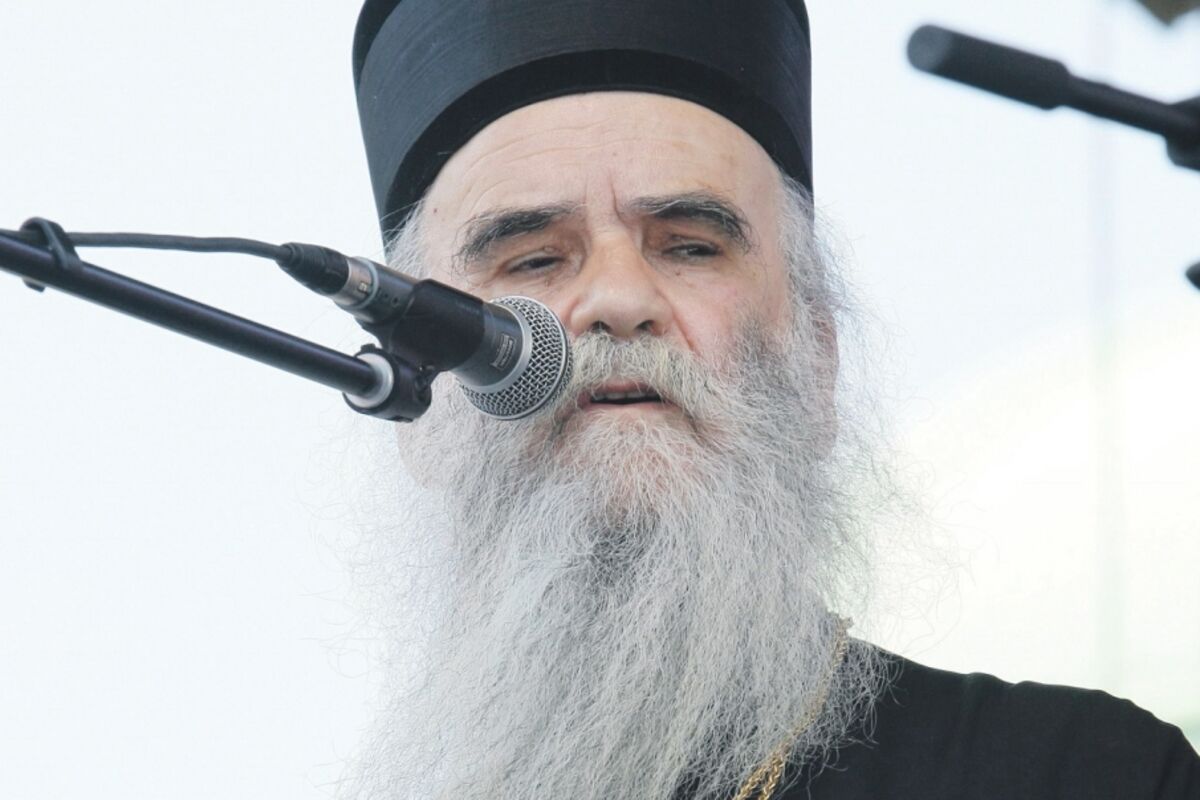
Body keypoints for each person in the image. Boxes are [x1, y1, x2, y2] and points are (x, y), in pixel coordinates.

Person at [342, 1, 1200, 797]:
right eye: (534, 259)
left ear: (818, 364)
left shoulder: (1080, 775)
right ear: (418, 401)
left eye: (689, 247)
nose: (620, 299)